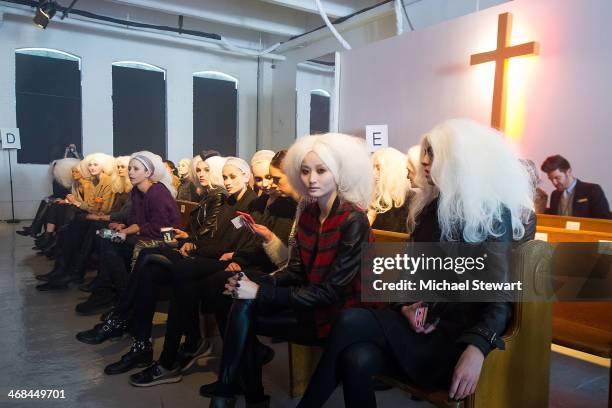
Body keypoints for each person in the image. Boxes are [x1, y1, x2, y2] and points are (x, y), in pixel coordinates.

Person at [297, 118, 534, 408]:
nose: (423, 160)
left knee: (350, 319)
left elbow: (499, 298)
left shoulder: (491, 214)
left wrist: (477, 349)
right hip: (423, 328)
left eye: (432, 153)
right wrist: (406, 307)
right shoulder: (431, 209)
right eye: (425, 151)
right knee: (355, 359)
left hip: (457, 339)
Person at [205, 133, 374, 408]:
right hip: (309, 301)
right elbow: (295, 269)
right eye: (305, 171)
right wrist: (255, 281)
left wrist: (261, 290)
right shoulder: (308, 211)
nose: (312, 179)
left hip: (338, 314)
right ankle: (241, 394)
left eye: (322, 171)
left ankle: (231, 395)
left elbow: (331, 292)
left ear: (339, 173)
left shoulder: (353, 219)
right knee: (239, 295)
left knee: (247, 301)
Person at [16, 157, 80, 237]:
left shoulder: (72, 179)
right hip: (64, 197)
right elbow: (58, 193)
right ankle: (35, 229)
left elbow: (72, 194)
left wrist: (64, 199)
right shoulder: (57, 179)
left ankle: (36, 230)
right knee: (45, 201)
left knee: (49, 203)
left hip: (70, 199)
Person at [540, 154, 610, 219]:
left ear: (568, 172)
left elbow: (604, 220)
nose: (554, 182)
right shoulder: (554, 195)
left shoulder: (593, 190)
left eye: (557, 178)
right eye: (551, 179)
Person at [368, 147, 412, 233]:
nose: (373, 173)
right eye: (373, 167)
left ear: (392, 170)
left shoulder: (407, 204)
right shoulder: (373, 199)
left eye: (378, 168)